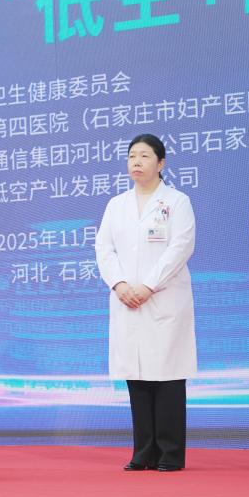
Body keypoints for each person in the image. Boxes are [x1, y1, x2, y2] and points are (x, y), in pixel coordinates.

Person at [94, 134, 197, 472]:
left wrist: (149, 285)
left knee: (167, 375)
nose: (136, 162)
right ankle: (143, 451)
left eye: (144, 156)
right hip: (127, 300)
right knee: (136, 375)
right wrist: (120, 284)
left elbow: (180, 247)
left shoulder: (177, 201)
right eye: (132, 156)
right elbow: (104, 249)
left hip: (164, 298)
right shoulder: (116, 204)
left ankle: (170, 452)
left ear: (161, 163)